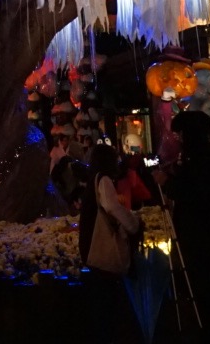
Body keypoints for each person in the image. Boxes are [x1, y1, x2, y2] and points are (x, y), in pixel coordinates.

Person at [155, 111, 210, 344]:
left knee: (208, 292)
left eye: (181, 134)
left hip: (204, 239)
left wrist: (167, 183)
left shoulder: (202, 161)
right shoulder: (205, 158)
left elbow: (195, 193)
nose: (179, 139)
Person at [82, 143, 139, 340]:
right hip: (102, 249)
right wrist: (133, 224)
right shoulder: (103, 180)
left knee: (101, 303)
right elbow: (112, 207)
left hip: (90, 246)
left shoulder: (92, 179)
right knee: (108, 303)